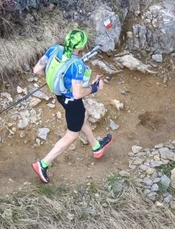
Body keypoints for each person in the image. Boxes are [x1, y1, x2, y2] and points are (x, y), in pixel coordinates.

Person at [30, 29, 113, 183]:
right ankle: (43, 164)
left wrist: (55, 80)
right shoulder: (77, 65)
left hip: (60, 95)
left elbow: (37, 70)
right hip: (72, 101)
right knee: (71, 135)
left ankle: (96, 146)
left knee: (83, 115)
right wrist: (95, 87)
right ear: (80, 47)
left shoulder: (54, 49)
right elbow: (78, 93)